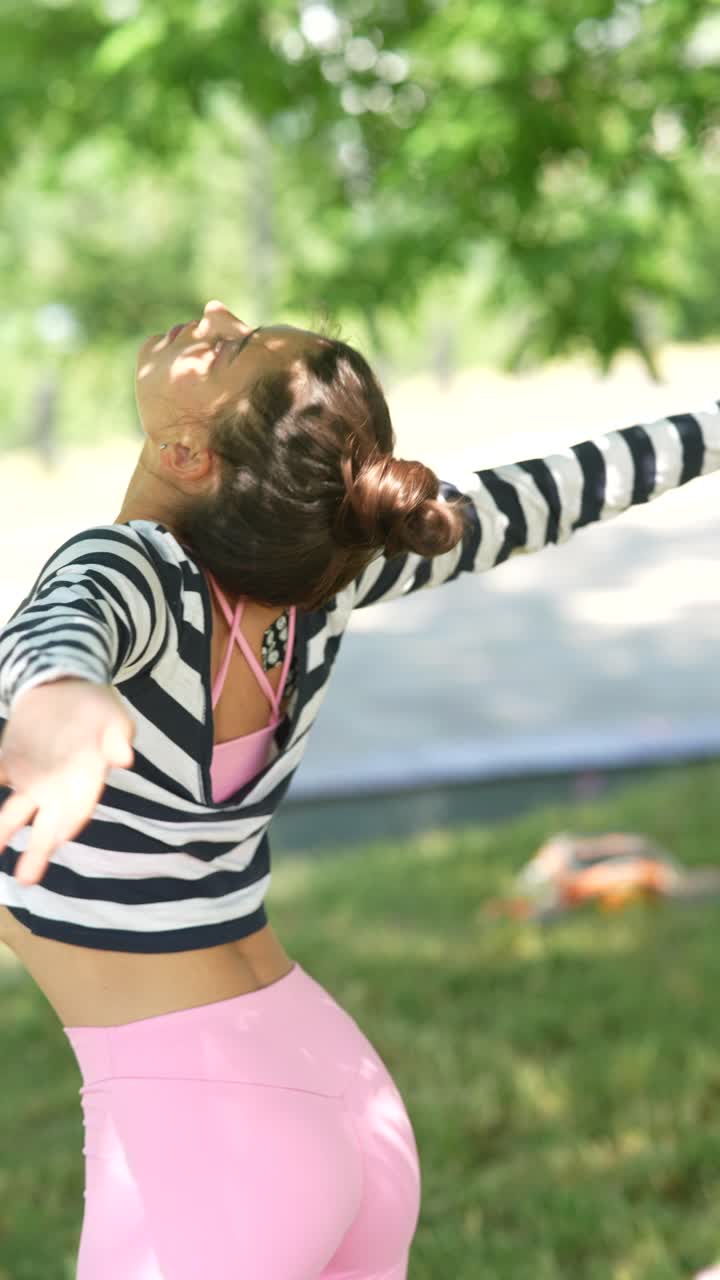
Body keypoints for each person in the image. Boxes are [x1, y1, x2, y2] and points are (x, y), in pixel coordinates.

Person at [0, 298, 717, 1280]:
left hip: (208, 1132)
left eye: (236, 345)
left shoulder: (130, 566)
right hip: (333, 1089)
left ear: (187, 454)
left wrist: (55, 696)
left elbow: (67, 621)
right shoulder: (316, 587)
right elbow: (544, 493)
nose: (214, 313)